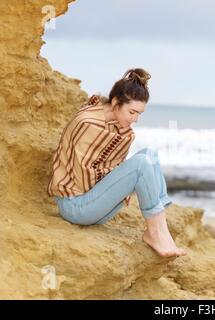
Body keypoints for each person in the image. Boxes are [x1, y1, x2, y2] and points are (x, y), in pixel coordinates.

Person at [47, 68, 187, 258]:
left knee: (150, 155)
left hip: (93, 205)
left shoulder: (114, 125)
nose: (135, 119)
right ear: (115, 102)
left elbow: (109, 164)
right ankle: (154, 233)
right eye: (132, 112)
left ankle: (161, 232)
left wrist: (121, 182)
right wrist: (123, 183)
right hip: (75, 206)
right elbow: (85, 180)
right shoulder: (88, 124)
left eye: (139, 114)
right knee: (140, 164)